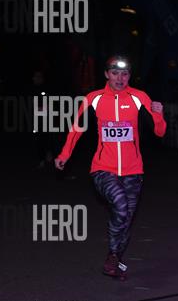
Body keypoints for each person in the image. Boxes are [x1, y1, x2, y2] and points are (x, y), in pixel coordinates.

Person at [55, 55, 166, 279]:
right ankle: (114, 256)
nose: (120, 78)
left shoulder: (139, 97)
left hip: (133, 170)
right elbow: (76, 128)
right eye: (115, 73)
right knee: (121, 207)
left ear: (129, 76)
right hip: (103, 168)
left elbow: (160, 132)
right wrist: (64, 154)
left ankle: (113, 258)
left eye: (124, 74)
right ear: (106, 74)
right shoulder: (93, 98)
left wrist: (158, 113)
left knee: (125, 219)